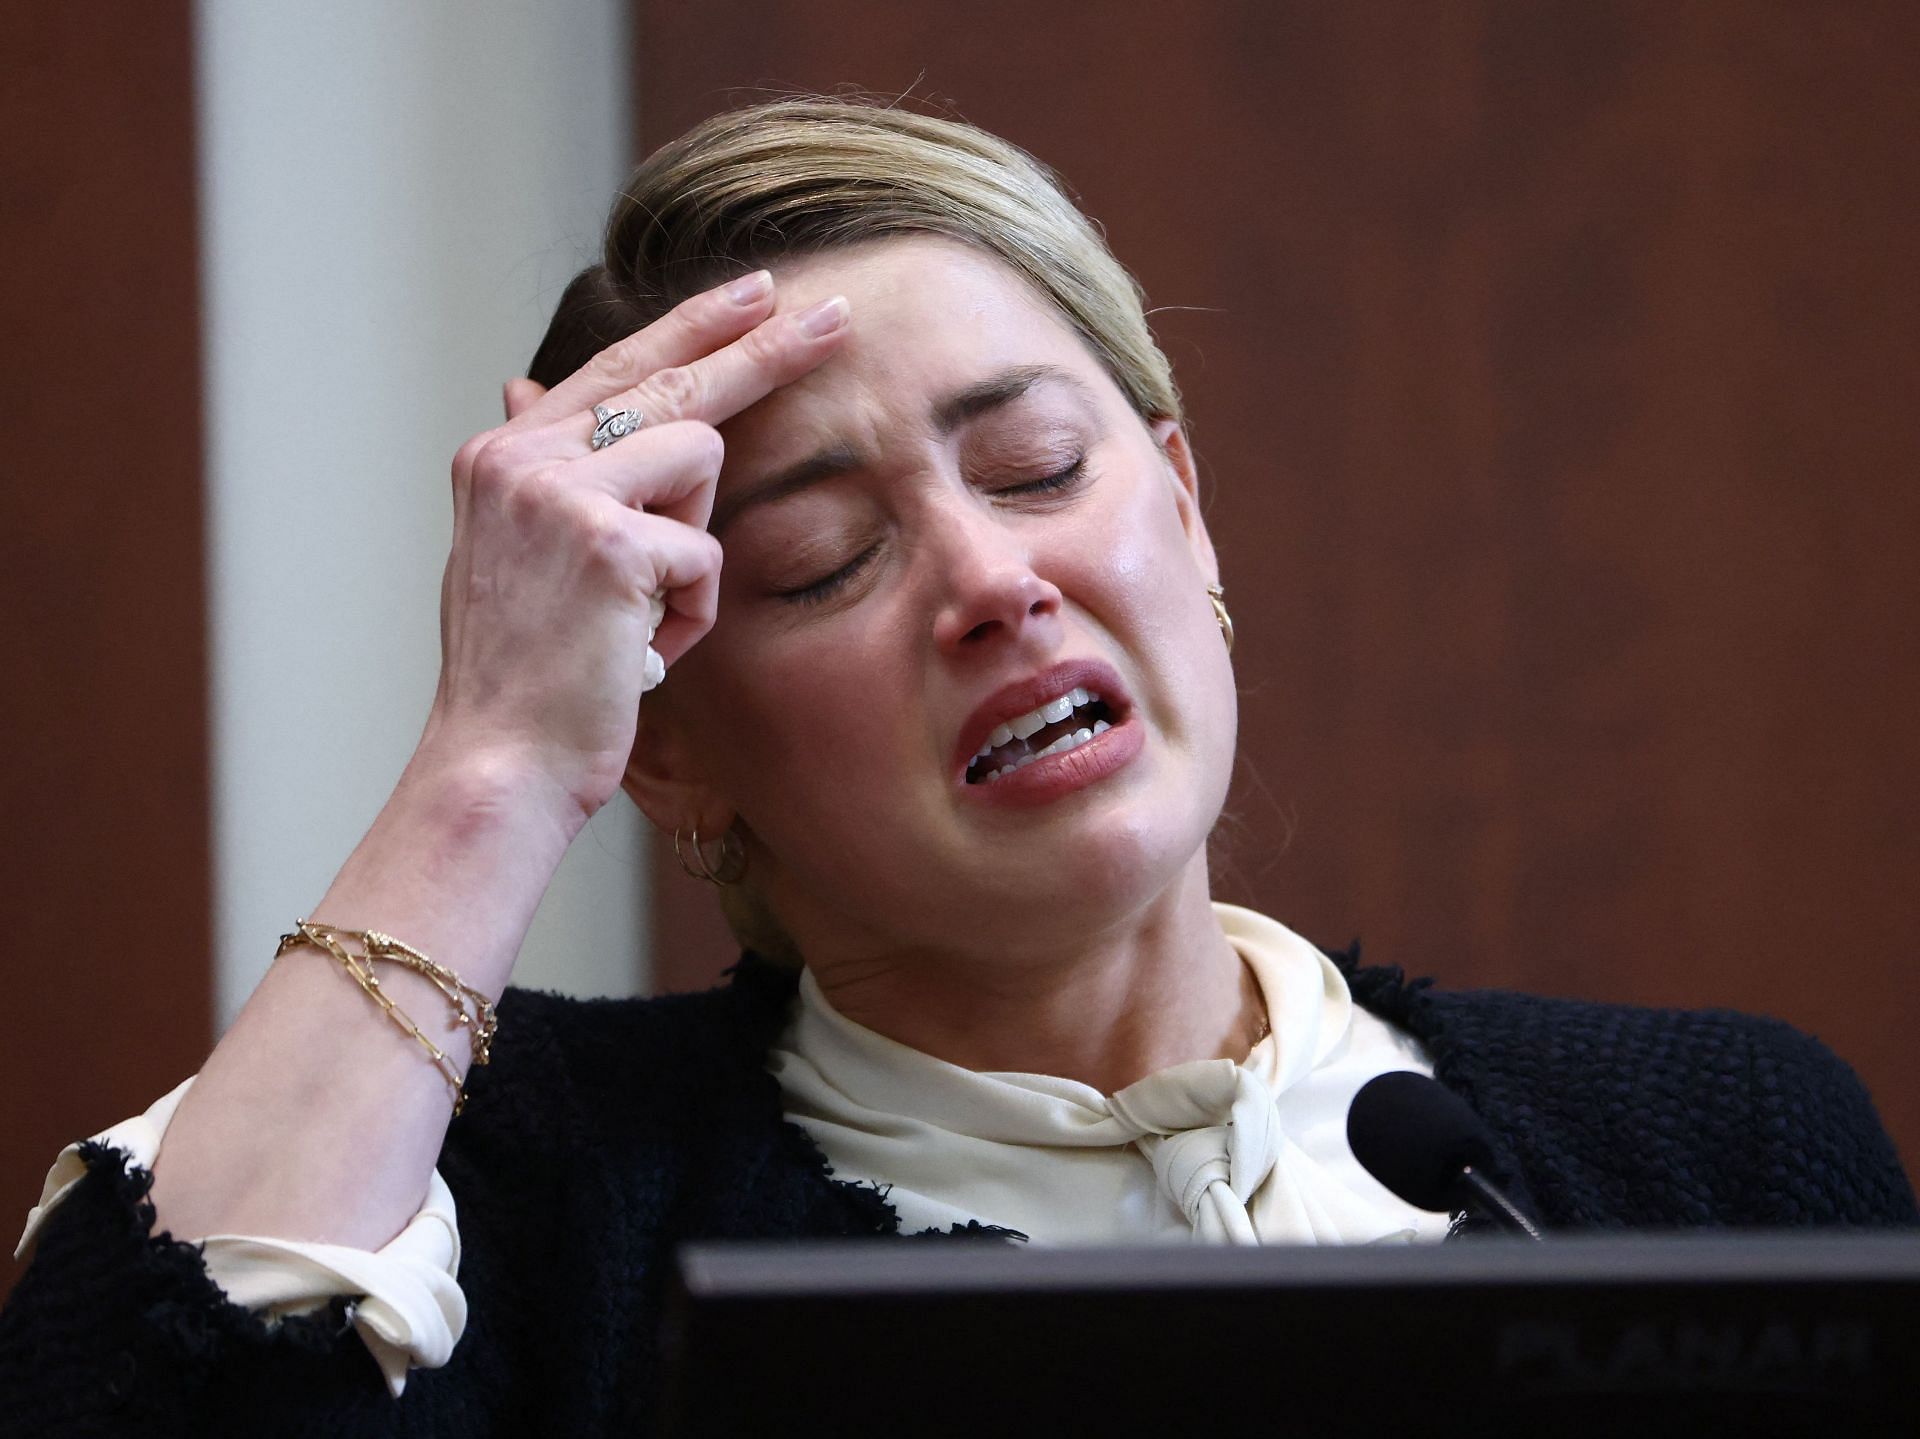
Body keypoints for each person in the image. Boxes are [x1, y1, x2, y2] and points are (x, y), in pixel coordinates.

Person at [1, 98, 1912, 1436]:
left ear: (1190, 506)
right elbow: (128, 1396)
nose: (995, 583)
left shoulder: (1716, 1151)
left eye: (1038, 469)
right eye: (826, 560)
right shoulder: (526, 1198)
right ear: (670, 745)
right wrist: (492, 755)